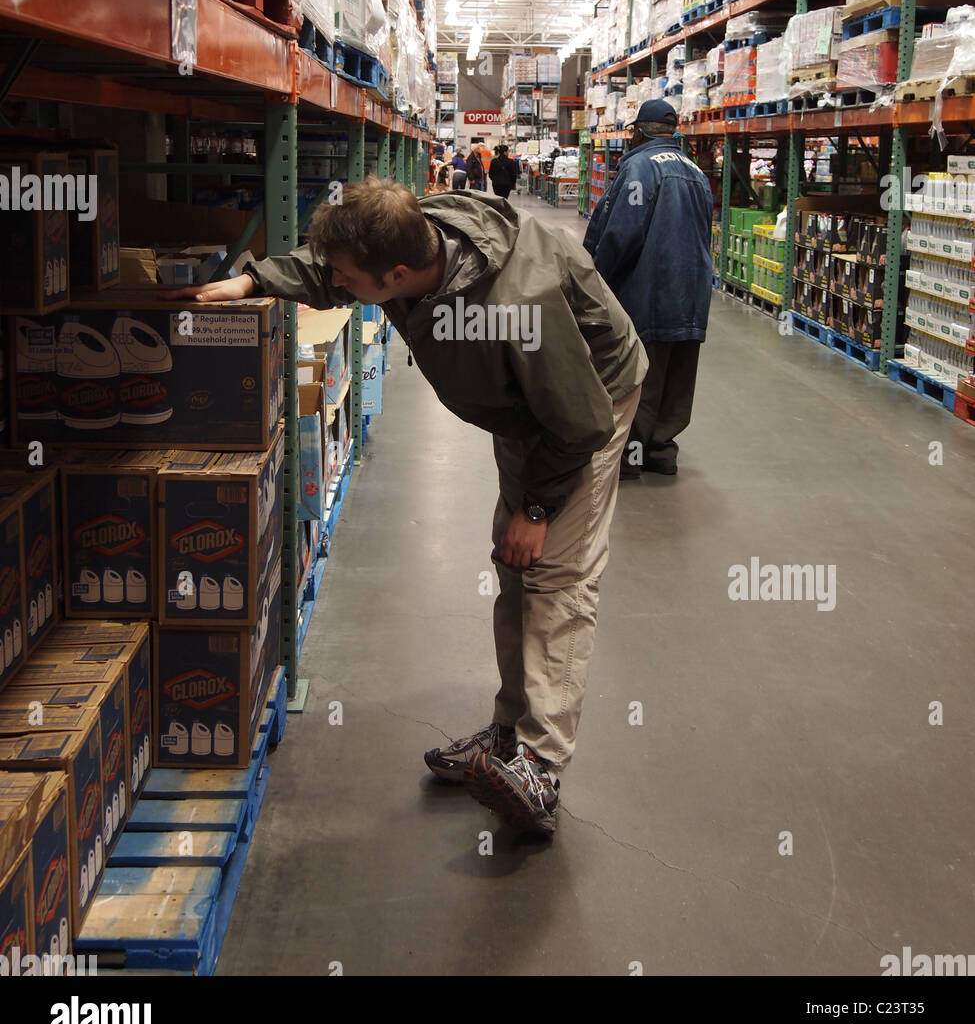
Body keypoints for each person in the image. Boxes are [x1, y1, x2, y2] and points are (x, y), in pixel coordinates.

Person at [167, 178, 647, 837]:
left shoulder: (517, 301)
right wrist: (251, 283)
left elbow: (580, 420)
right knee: (512, 568)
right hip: (520, 402)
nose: (333, 281)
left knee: (557, 576)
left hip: (582, 405)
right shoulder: (412, 241)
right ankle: (509, 735)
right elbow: (331, 267)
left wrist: (536, 509)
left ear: (395, 274)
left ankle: (540, 766)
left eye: (346, 276)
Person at [584, 99, 712, 479]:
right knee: (677, 372)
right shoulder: (695, 172)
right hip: (691, 291)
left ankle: (632, 456)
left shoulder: (639, 167)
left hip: (650, 289)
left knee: (640, 373)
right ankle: (661, 451)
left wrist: (596, 279)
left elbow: (621, 233)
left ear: (638, 132)